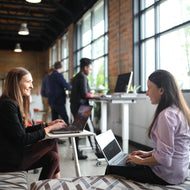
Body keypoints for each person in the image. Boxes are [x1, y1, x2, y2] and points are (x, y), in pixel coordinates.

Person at [105, 69, 190, 185]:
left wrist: (141, 161)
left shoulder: (166, 116)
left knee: (112, 168)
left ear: (161, 90)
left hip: (167, 175)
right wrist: (148, 154)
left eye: (149, 88)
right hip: (180, 171)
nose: (147, 93)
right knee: (129, 162)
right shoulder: (178, 110)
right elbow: (169, 148)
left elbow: (164, 159)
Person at [0, 67, 67, 180]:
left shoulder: (10, 103)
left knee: (53, 157)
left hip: (12, 156)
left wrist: (47, 125)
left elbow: (22, 131)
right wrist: (48, 129)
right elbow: (22, 139)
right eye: (28, 82)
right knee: (51, 143)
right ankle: (58, 181)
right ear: (16, 84)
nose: (31, 86)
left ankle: (45, 186)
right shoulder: (8, 105)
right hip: (7, 161)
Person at [70, 58, 104, 159]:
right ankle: (97, 151)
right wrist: (97, 95)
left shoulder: (76, 77)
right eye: (90, 68)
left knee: (77, 130)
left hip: (75, 106)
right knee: (91, 130)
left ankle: (76, 153)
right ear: (85, 68)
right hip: (82, 108)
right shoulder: (83, 77)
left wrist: (94, 94)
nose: (90, 70)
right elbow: (85, 94)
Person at [48, 61, 72, 126]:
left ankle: (55, 136)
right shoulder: (58, 75)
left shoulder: (50, 76)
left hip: (52, 101)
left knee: (54, 120)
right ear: (61, 67)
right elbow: (65, 85)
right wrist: (73, 88)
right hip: (59, 101)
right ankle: (70, 135)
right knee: (65, 119)